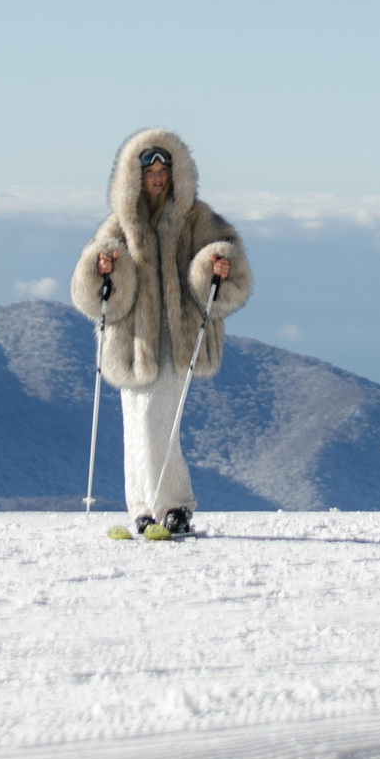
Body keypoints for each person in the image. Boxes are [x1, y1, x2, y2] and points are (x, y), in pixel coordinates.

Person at [69, 128, 253, 536]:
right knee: (137, 422)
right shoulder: (119, 225)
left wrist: (217, 263)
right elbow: (90, 293)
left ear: (175, 174)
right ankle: (144, 508)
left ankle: (173, 506)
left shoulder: (196, 218)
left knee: (155, 420)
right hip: (130, 340)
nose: (157, 177)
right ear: (133, 176)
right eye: (149, 170)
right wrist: (102, 269)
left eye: (163, 170)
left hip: (176, 335)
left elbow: (228, 258)